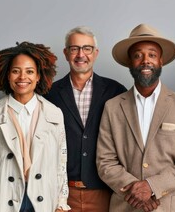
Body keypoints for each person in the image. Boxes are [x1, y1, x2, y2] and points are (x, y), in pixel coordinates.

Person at [96, 23, 175, 212]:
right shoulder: (112, 107)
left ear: (161, 61)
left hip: (167, 206)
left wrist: (152, 187)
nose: (145, 60)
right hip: (125, 206)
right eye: (137, 55)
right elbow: (105, 161)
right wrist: (136, 190)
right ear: (130, 62)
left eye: (152, 55)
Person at [0, 42, 70, 212]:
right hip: (5, 196)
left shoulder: (54, 113)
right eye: (15, 71)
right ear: (7, 75)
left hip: (44, 197)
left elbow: (60, 162)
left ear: (39, 76)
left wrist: (61, 201)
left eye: (29, 71)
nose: (22, 77)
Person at [45, 26, 127, 212]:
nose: (81, 54)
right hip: (61, 194)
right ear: (66, 53)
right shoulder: (49, 94)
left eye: (87, 48)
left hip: (105, 192)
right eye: (74, 49)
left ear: (95, 53)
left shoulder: (116, 91)